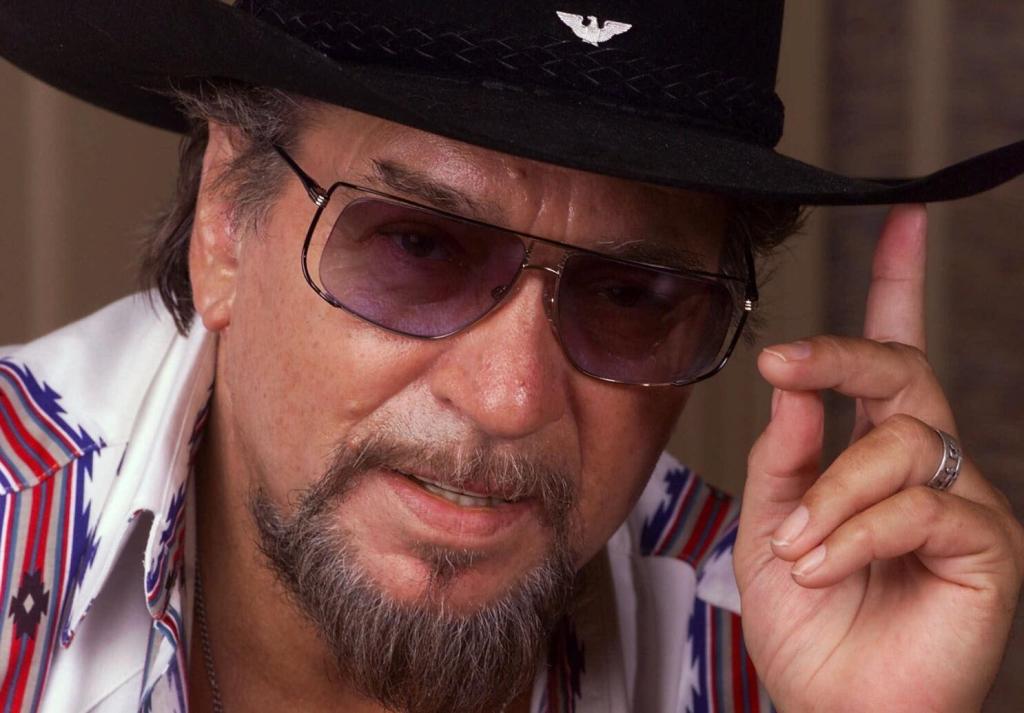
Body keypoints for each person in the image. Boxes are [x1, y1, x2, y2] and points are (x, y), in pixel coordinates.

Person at [1, 1, 1022, 712]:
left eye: (627, 295)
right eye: (418, 246)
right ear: (227, 219)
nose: (509, 394)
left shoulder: (780, 645)